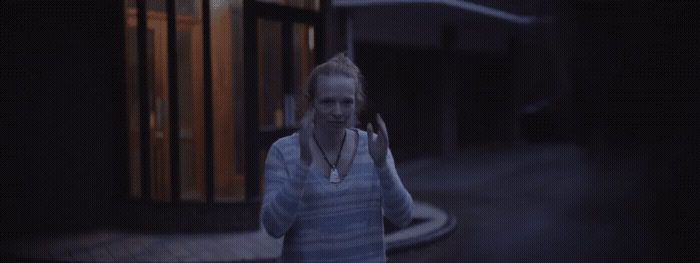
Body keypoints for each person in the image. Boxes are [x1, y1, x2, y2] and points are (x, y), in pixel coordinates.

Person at [261, 53, 413, 262]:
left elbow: (403, 217)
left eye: (347, 102)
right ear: (312, 103)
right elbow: (273, 227)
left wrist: (382, 167)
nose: (338, 112)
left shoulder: (374, 147)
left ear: (356, 103)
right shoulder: (283, 152)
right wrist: (303, 166)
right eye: (327, 102)